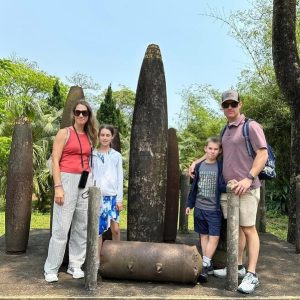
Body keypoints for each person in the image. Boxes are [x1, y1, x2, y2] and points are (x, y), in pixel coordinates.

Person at [189, 90, 268, 294]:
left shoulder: (250, 126)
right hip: (229, 190)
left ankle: (252, 274)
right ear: (223, 108)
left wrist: (249, 177)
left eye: (233, 104)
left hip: (247, 187)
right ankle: (238, 267)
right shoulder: (226, 130)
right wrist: (196, 162)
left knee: (249, 228)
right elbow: (215, 151)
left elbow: (263, 153)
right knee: (238, 228)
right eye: (226, 105)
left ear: (240, 104)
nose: (230, 108)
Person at [44, 99, 98, 283]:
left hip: (85, 180)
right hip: (66, 179)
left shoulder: (91, 135)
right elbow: (55, 160)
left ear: (89, 115)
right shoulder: (64, 133)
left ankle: (75, 265)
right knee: (61, 227)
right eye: (78, 112)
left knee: (81, 226)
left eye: (85, 112)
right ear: (73, 114)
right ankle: (51, 268)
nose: (81, 115)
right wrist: (58, 187)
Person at [186, 137, 226, 283]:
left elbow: (223, 185)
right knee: (203, 236)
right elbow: (194, 187)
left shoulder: (221, 167)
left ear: (220, 151)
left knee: (214, 236)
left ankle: (205, 263)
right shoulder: (198, 166)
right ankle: (206, 264)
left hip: (214, 208)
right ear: (205, 149)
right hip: (200, 207)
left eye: (216, 149)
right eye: (210, 148)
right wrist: (189, 204)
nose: (212, 151)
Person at [92, 124, 123, 268]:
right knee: (98, 231)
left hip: (112, 197)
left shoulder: (116, 156)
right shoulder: (92, 154)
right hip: (97, 197)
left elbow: (120, 178)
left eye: (107, 135)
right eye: (102, 135)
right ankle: (97, 261)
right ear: (98, 136)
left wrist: (119, 199)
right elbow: (89, 174)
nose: (104, 138)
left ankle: (117, 257)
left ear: (112, 137)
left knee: (115, 229)